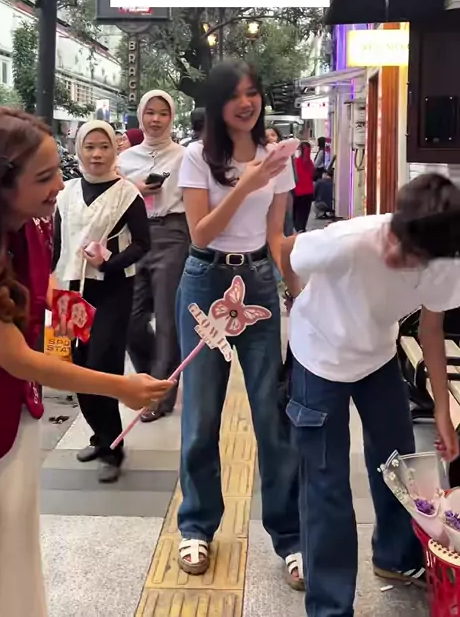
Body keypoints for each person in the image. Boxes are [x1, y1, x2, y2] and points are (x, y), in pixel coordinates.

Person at [0, 108, 173, 617]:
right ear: (0, 185)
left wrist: (61, 304)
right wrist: (121, 386)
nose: (59, 186)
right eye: (44, 177)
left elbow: (40, 282)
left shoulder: (30, 226)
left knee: (19, 540)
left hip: (14, 412)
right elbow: (19, 358)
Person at [281, 173, 460, 617]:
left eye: (411, 254)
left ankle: (396, 557)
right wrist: (297, 298)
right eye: (397, 236)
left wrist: (442, 408)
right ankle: (330, 606)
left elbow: (432, 329)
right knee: (327, 484)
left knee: (401, 465)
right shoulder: (348, 240)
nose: (394, 253)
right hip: (319, 357)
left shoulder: (446, 264)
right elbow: (288, 250)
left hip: (378, 356)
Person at [176, 59, 302, 589]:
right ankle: (196, 526)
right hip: (206, 282)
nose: (246, 103)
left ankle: (291, 537)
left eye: (253, 92)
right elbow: (200, 233)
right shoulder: (195, 157)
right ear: (216, 103)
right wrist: (246, 182)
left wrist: (295, 292)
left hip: (257, 284)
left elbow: (275, 237)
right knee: (202, 412)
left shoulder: (277, 159)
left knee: (272, 413)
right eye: (234, 95)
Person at [53, 120, 152, 483]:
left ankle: (113, 447)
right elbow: (57, 245)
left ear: (115, 150)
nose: (97, 154)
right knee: (75, 366)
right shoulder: (65, 193)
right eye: (90, 146)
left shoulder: (127, 194)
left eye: (104, 146)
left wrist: (110, 263)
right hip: (71, 289)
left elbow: (142, 243)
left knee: (101, 367)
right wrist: (48, 283)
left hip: (112, 290)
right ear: (78, 149)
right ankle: (100, 436)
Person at [118, 90, 190, 422]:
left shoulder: (185, 157)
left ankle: (160, 397)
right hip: (134, 236)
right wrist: (135, 189)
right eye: (150, 112)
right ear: (141, 116)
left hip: (173, 233)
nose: (156, 119)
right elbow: (112, 197)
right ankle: (155, 378)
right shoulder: (125, 159)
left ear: (172, 117)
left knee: (166, 319)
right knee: (130, 320)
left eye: (163, 113)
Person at [293, 141, 315, 232]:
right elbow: (313, 174)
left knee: (296, 213)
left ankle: (297, 229)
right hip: (308, 192)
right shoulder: (309, 163)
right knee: (304, 214)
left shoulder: (295, 162)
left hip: (296, 192)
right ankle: (301, 229)